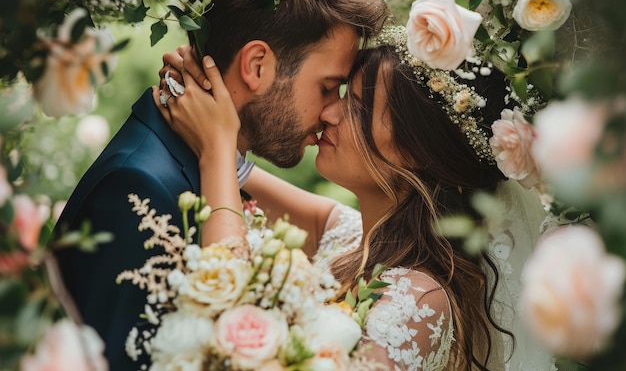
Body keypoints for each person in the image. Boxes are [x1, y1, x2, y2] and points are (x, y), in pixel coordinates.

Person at [52, 0, 388, 369]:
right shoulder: (137, 186)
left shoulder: (214, 165)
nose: (331, 112)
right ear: (256, 66)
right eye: (328, 87)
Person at [157, 25, 556, 370]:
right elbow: (249, 179)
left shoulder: (419, 300)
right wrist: (217, 118)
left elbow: (228, 316)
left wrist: (216, 151)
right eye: (340, 93)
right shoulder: (353, 240)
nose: (330, 112)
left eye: (359, 107)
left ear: (417, 151)